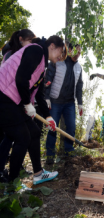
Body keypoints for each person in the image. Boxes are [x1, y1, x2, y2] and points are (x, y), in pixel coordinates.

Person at [0, 35, 66, 185]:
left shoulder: (42, 64)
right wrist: (26, 104)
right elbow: (21, 79)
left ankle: (38, 174)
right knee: (23, 137)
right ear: (52, 46)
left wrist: (48, 117)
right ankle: (12, 184)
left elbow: (39, 94)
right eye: (60, 53)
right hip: (3, 97)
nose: (60, 57)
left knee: (34, 132)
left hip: (12, 101)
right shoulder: (36, 51)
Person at [0, 29, 36, 180]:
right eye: (30, 42)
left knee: (12, 137)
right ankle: (3, 170)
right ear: (21, 40)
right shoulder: (11, 55)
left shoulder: (21, 53)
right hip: (7, 102)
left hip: (15, 102)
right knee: (11, 137)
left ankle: (15, 165)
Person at [44, 43, 83, 164]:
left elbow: (79, 86)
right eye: (75, 51)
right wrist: (46, 97)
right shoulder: (58, 62)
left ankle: (69, 149)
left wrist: (80, 103)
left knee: (71, 127)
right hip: (55, 101)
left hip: (70, 103)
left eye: (79, 52)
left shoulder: (78, 68)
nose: (77, 54)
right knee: (52, 127)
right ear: (69, 50)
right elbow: (48, 78)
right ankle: (50, 154)